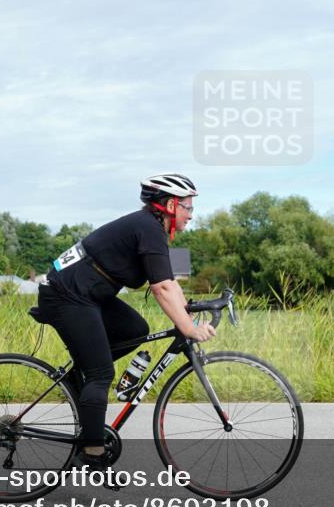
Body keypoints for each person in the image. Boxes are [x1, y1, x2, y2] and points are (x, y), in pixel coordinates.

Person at [35, 173, 216, 471]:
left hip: (88, 295)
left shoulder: (150, 228)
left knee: (135, 330)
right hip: (68, 296)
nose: (191, 215)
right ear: (171, 205)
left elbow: (167, 281)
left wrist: (189, 310)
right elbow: (161, 289)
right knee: (101, 374)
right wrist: (188, 328)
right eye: (188, 207)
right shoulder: (149, 228)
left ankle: (80, 375)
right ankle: (91, 451)